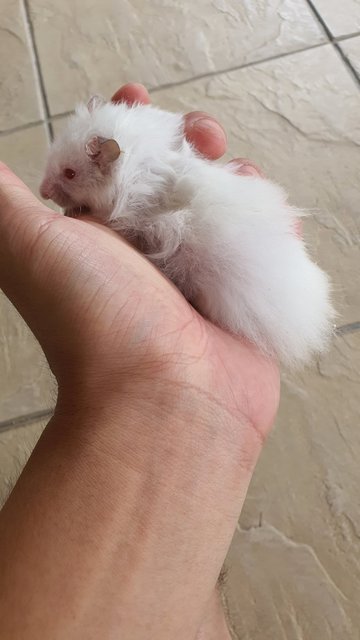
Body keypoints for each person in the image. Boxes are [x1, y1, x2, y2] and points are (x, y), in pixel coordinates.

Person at [0, 83, 279, 639]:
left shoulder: (154, 187)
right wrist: (164, 396)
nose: (50, 190)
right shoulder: (139, 176)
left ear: (111, 158)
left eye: (72, 178)